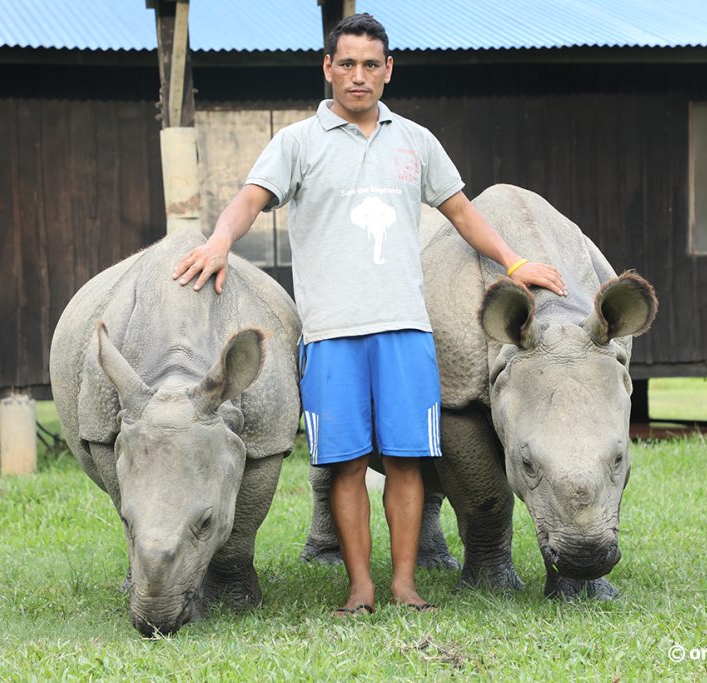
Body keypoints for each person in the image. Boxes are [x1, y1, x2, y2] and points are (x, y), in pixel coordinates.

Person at [172, 13, 566, 616]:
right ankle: (360, 586)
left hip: (405, 329)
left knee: (408, 459)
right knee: (345, 463)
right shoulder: (297, 143)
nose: (359, 76)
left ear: (388, 70)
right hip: (331, 334)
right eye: (347, 64)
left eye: (370, 65)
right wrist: (219, 241)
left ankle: (404, 583)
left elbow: (461, 213)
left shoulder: (415, 141)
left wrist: (515, 264)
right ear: (328, 68)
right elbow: (250, 200)